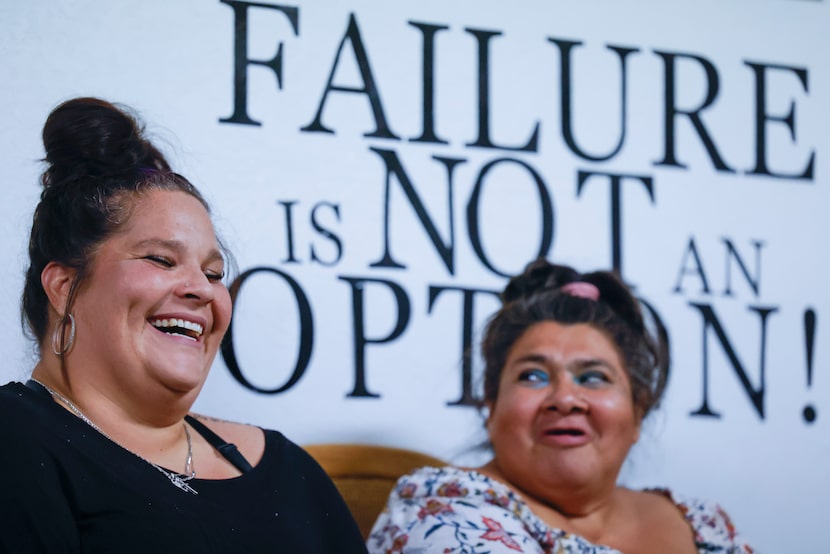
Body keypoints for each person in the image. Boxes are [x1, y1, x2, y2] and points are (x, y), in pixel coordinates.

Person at [0, 97, 367, 553]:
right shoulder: (15, 438)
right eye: (161, 259)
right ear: (63, 286)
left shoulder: (289, 470)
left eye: (215, 274)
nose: (203, 289)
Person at [367, 259, 754, 553]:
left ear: (638, 412)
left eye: (594, 377)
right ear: (490, 406)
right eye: (533, 376)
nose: (565, 398)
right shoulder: (447, 510)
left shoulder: (703, 522)